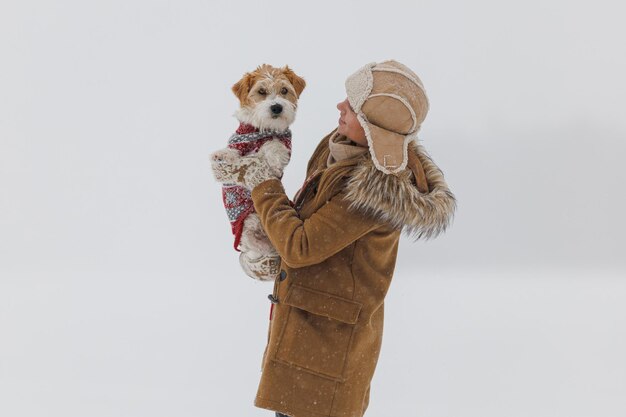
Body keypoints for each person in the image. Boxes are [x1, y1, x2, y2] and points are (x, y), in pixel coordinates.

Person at [211, 60, 457, 417]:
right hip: (307, 334)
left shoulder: (375, 192)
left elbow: (301, 246)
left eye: (354, 106)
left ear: (376, 129)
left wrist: (262, 181)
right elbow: (308, 226)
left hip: (328, 351)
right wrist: (265, 244)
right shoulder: (338, 146)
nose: (340, 107)